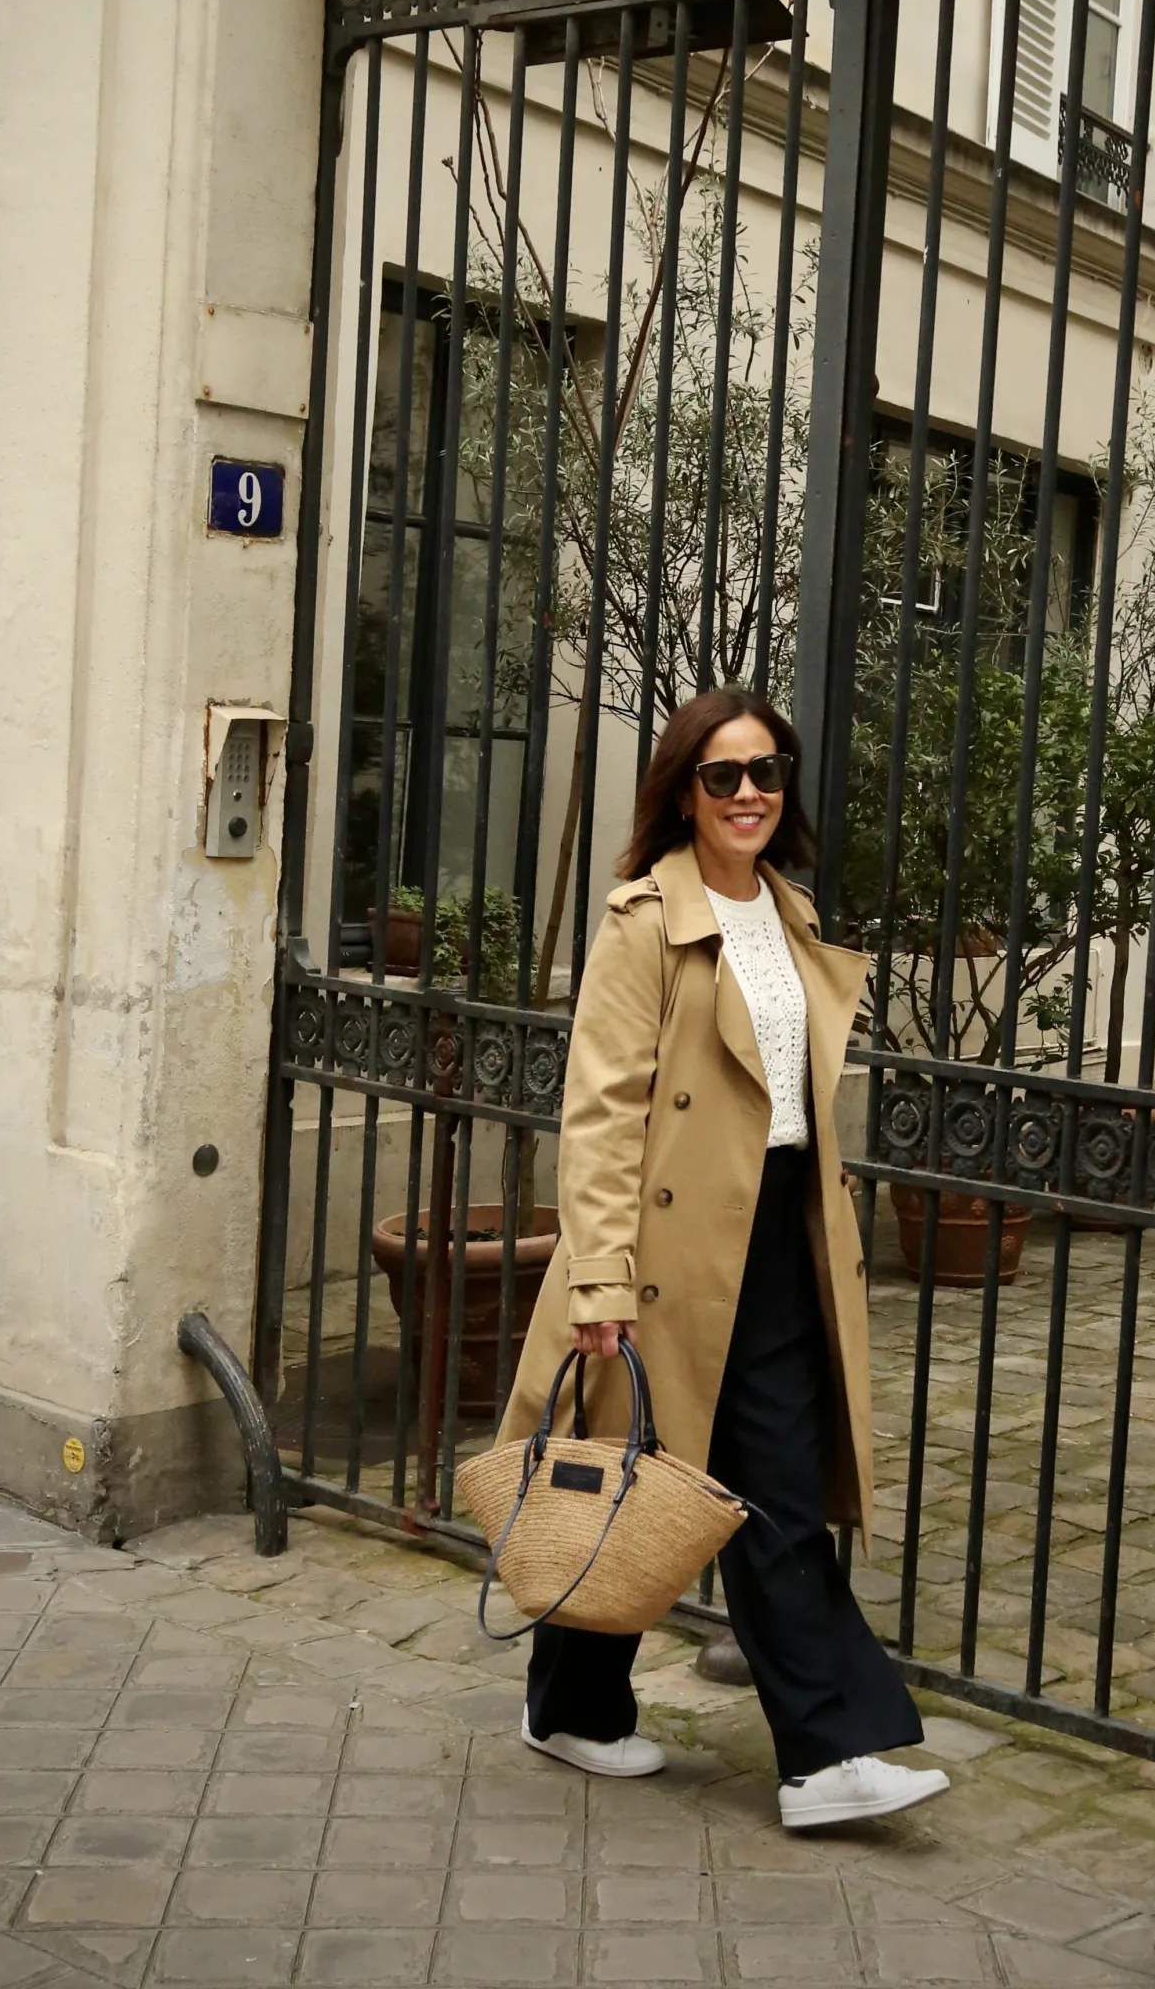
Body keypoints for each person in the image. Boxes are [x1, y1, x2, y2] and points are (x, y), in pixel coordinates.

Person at [496, 688, 950, 1830]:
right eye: (721, 774)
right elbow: (599, 1113)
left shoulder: (789, 914)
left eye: (767, 771)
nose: (748, 792)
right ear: (682, 792)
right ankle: (795, 1748)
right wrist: (598, 1279)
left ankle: (606, 1714)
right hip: (667, 1249)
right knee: (631, 1483)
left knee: (765, 1487)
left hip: (780, 1229)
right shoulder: (643, 921)